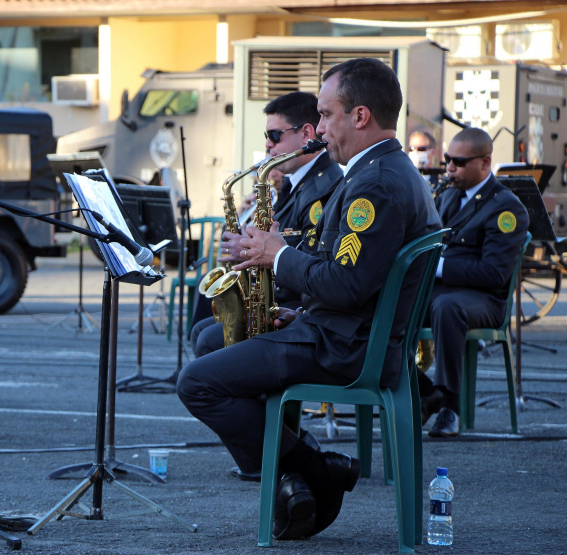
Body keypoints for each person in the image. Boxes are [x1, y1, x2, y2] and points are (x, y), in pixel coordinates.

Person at [177, 58, 442, 541]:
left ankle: (312, 470)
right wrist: (298, 310)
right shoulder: (386, 172)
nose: (318, 129)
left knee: (197, 382)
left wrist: (277, 255)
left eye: (324, 115)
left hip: (345, 349)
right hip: (346, 333)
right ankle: (297, 473)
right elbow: (362, 282)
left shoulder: (374, 185)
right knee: (215, 347)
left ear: (358, 116)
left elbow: (345, 283)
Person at [191, 91, 343, 358]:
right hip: (282, 299)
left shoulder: (322, 186)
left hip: (295, 307)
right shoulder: (297, 182)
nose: (269, 146)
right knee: (201, 331)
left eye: (274, 136)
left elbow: (315, 258)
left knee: (207, 340)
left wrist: (253, 251)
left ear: (306, 133)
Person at [418, 127, 529, 438]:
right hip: (443, 296)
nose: (449, 167)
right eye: (448, 160)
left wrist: (438, 267)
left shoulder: (506, 207)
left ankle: (449, 408)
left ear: (485, 163)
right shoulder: (448, 195)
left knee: (447, 306)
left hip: (483, 301)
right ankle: (425, 391)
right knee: (386, 304)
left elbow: (495, 274)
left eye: (458, 162)